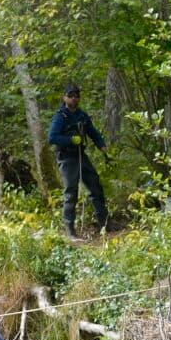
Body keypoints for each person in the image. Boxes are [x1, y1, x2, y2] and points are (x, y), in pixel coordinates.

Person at [47, 82, 109, 239]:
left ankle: (104, 224)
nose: (74, 99)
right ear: (64, 98)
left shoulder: (82, 115)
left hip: (82, 156)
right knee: (71, 193)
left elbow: (93, 133)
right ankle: (70, 231)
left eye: (76, 96)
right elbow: (52, 138)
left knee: (95, 186)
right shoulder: (60, 116)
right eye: (70, 96)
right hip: (66, 159)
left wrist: (103, 147)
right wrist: (70, 140)